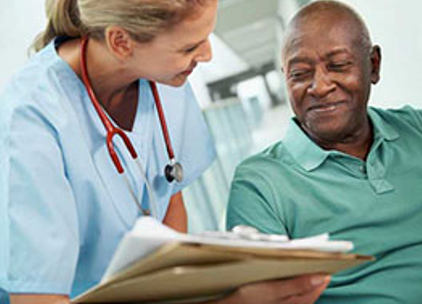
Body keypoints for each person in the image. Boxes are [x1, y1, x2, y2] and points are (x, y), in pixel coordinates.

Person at [0, 0, 330, 303]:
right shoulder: (31, 118)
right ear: (121, 42)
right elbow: (37, 298)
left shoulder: (166, 79)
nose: (206, 55)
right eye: (189, 46)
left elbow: (171, 197)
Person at [227, 1, 422, 303]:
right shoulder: (259, 184)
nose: (320, 86)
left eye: (338, 66)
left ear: (373, 65)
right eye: (300, 73)